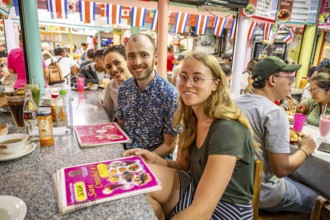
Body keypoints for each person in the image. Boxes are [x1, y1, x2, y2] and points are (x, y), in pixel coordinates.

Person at [124, 52, 256, 219]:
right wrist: (154, 159)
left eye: (197, 78)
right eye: (184, 77)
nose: (187, 84)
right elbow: (182, 167)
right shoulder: (192, 118)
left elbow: (202, 212)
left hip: (228, 210)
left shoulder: (227, 130)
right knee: (137, 178)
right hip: (196, 190)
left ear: (215, 84)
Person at [235, 56, 318, 214]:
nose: (290, 83)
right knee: (320, 201)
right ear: (272, 80)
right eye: (289, 78)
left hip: (237, 185)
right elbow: (281, 169)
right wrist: (306, 149)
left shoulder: (236, 103)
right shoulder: (273, 112)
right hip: (263, 192)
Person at [117, 33, 179, 159]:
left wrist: (142, 159)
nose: (137, 62)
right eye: (131, 56)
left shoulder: (170, 95)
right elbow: (121, 125)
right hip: (125, 157)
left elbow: (169, 144)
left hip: (156, 163)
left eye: (144, 55)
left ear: (155, 57)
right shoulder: (124, 89)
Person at [102, 45, 131, 121]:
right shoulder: (111, 85)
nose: (114, 69)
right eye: (109, 67)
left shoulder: (141, 83)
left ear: (127, 60)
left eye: (117, 63)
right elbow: (107, 114)